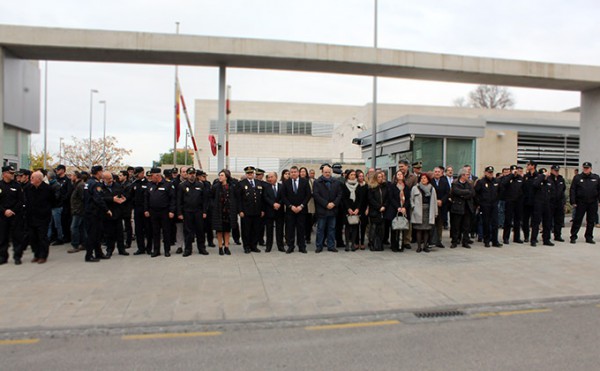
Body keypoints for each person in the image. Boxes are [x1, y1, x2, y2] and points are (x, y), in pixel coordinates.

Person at [25, 171, 56, 264]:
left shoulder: (47, 189)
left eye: (32, 178)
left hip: (43, 217)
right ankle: (36, 254)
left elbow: (53, 201)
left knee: (42, 237)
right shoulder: (28, 188)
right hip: (31, 216)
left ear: (38, 179)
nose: (31, 180)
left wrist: (46, 210)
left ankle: (43, 255)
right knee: (33, 237)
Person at [177, 167, 209, 256]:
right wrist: (179, 213)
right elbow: (179, 200)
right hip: (187, 212)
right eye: (190, 173)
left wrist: (204, 212)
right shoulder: (182, 185)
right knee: (188, 232)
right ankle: (188, 249)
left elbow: (205, 200)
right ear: (187, 175)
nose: (192, 175)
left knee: (200, 231)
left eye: (193, 173)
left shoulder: (200, 185)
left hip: (198, 212)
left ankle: (202, 248)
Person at [144, 167, 176, 257]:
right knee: (155, 232)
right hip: (153, 211)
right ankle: (156, 250)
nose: (151, 177)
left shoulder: (167, 184)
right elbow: (146, 198)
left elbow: (172, 199)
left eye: (152, 176)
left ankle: (167, 250)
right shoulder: (150, 185)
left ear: (158, 175)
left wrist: (172, 210)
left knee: (166, 231)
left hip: (165, 211)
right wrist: (146, 209)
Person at [281, 166, 311, 253]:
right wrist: (290, 206)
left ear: (298, 173)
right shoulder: (286, 183)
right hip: (290, 210)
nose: (293, 173)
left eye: (295, 172)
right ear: (290, 173)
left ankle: (302, 246)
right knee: (290, 229)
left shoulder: (304, 182)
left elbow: (308, 195)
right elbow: (283, 196)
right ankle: (291, 246)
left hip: (302, 210)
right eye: (292, 172)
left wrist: (301, 206)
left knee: (301, 228)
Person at [312, 164, 342, 253]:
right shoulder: (317, 182)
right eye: (326, 172)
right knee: (320, 229)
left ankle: (331, 246)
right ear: (322, 172)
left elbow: (339, 194)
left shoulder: (336, 182)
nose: (327, 174)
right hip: (322, 210)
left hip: (333, 209)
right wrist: (326, 204)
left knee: (332, 228)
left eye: (329, 172)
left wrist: (333, 203)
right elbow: (316, 195)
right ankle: (319, 246)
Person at [83, 165, 110, 262]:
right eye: (102, 171)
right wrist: (106, 209)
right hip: (94, 213)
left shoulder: (88, 182)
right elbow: (98, 198)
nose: (102, 173)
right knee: (93, 235)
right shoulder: (95, 184)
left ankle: (98, 253)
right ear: (98, 172)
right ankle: (89, 255)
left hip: (89, 212)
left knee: (97, 234)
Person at [569, 162, 600, 244]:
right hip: (581, 202)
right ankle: (573, 236)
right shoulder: (577, 177)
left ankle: (589, 237)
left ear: (590, 168)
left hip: (592, 202)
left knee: (591, 221)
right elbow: (572, 190)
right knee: (577, 220)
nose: (586, 169)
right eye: (584, 168)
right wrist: (573, 201)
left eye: (587, 168)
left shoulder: (596, 177)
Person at [0, 165, 25, 265]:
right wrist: (4, 211)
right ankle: (2, 257)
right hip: (2, 216)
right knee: (2, 237)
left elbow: (21, 201)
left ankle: (17, 256)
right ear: (4, 173)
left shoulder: (17, 186)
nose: (12, 175)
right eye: (10, 173)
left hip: (15, 215)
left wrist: (12, 210)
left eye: (13, 173)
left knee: (17, 237)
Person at [237, 166, 265, 253]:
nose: (250, 174)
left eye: (251, 173)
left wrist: (262, 210)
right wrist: (240, 210)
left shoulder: (259, 183)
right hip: (246, 212)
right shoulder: (241, 183)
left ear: (253, 174)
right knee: (246, 230)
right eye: (248, 173)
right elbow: (239, 199)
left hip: (257, 211)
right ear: (246, 174)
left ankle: (254, 246)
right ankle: (246, 246)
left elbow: (262, 198)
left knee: (256, 230)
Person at [101, 171, 129, 257]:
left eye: (111, 178)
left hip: (118, 212)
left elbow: (122, 195)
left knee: (120, 233)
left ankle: (121, 249)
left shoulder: (117, 185)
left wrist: (123, 199)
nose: (111, 180)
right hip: (107, 212)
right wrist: (112, 199)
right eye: (108, 179)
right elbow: (100, 198)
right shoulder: (100, 187)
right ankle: (109, 250)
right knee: (109, 234)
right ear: (104, 179)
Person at [211, 169, 238, 255]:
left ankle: (226, 246)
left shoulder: (231, 187)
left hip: (228, 212)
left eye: (222, 175)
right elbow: (211, 197)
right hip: (219, 211)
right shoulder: (215, 186)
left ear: (226, 177)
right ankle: (220, 247)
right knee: (219, 230)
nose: (220, 177)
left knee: (227, 230)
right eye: (219, 175)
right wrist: (213, 206)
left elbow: (235, 198)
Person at [474, 166, 502, 248]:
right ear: (485, 173)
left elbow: (500, 191)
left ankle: (495, 241)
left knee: (495, 223)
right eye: (489, 172)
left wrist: (497, 200)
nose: (490, 174)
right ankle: (486, 240)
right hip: (485, 205)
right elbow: (476, 193)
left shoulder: (496, 181)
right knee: (486, 223)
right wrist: (479, 203)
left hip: (494, 205)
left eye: (491, 172)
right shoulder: (481, 182)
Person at [410, 172, 438, 253]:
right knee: (419, 229)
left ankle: (425, 246)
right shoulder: (415, 188)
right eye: (422, 178)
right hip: (418, 210)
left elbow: (435, 201)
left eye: (425, 178)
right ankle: (419, 247)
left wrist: (435, 212)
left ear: (428, 179)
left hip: (428, 210)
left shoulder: (432, 188)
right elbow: (411, 199)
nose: (423, 180)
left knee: (426, 229)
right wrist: (413, 207)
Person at [449, 167, 476, 248]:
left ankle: (465, 241)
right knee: (456, 226)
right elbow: (456, 192)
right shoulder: (455, 183)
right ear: (462, 175)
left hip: (467, 207)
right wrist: (466, 192)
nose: (468, 176)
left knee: (466, 226)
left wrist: (463, 195)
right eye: (467, 174)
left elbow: (472, 193)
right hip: (458, 207)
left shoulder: (470, 183)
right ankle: (454, 241)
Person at [386, 170, 410, 252]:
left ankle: (401, 245)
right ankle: (394, 246)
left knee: (402, 227)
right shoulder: (393, 186)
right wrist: (398, 207)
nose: (399, 175)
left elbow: (408, 198)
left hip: (403, 210)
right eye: (398, 174)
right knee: (394, 228)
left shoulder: (406, 187)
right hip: (394, 209)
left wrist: (404, 207)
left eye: (401, 174)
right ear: (396, 176)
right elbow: (391, 198)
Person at [131, 167, 153, 255]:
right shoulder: (134, 184)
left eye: (137, 174)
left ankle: (149, 248)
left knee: (148, 229)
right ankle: (141, 248)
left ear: (142, 173)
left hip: (146, 209)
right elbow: (131, 196)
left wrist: (147, 209)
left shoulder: (148, 183)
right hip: (137, 209)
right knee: (138, 230)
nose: (136, 176)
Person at [501, 165, 524, 245]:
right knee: (508, 220)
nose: (515, 172)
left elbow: (523, 189)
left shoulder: (520, 178)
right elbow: (503, 183)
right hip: (509, 201)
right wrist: (511, 175)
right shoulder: (507, 178)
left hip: (518, 202)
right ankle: (506, 237)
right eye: (513, 170)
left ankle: (517, 237)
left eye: (516, 170)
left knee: (517, 220)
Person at [530, 168, 554, 247]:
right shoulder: (537, 181)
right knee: (536, 223)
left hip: (547, 204)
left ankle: (546, 239)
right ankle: (533, 239)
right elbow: (535, 184)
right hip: (538, 204)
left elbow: (552, 192)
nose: (545, 176)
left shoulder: (549, 182)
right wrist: (541, 176)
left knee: (547, 223)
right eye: (543, 174)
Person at [341, 169, 363, 252]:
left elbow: (360, 199)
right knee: (347, 227)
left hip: (356, 209)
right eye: (351, 175)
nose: (353, 176)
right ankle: (347, 244)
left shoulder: (358, 185)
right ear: (348, 176)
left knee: (355, 226)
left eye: (354, 175)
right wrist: (348, 208)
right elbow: (343, 198)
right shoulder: (344, 185)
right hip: (347, 209)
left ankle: (353, 244)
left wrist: (357, 208)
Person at [263, 172, 285, 252]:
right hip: (270, 211)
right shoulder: (266, 187)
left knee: (280, 229)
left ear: (276, 177)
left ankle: (280, 246)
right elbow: (265, 197)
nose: (270, 179)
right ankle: (269, 246)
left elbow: (284, 196)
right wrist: (273, 204)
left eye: (271, 177)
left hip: (280, 211)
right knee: (269, 230)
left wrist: (279, 204)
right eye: (269, 177)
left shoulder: (282, 186)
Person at [366, 170, 388, 251]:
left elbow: (387, 198)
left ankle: (379, 244)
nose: (380, 178)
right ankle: (372, 243)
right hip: (374, 211)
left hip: (383, 211)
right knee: (373, 228)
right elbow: (370, 199)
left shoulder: (385, 186)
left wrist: (384, 206)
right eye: (378, 177)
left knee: (381, 229)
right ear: (375, 178)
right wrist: (379, 207)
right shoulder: (371, 187)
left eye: (381, 177)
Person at [67, 171, 87, 253]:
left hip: (79, 210)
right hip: (77, 209)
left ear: (76, 176)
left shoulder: (80, 185)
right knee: (81, 227)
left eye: (71, 175)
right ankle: (84, 243)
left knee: (74, 227)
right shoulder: (77, 185)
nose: (70, 177)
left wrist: (80, 208)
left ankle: (75, 245)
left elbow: (84, 198)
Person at [431, 166, 450, 248]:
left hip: (442, 205)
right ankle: (431, 240)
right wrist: (436, 201)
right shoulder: (430, 181)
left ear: (441, 173)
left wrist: (442, 201)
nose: (437, 173)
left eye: (439, 172)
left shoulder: (444, 181)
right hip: (432, 205)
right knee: (432, 223)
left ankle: (439, 240)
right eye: (435, 172)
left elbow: (448, 192)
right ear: (433, 173)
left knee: (440, 224)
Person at [547, 165, 566, 242]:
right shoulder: (548, 179)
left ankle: (558, 235)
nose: (556, 172)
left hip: (559, 203)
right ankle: (546, 236)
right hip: (550, 203)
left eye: (557, 170)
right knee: (548, 221)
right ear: (551, 170)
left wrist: (563, 203)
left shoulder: (561, 179)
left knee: (559, 220)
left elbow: (563, 190)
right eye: (555, 170)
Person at [521, 160, 538, 243]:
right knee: (525, 221)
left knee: (535, 221)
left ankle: (534, 238)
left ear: (533, 166)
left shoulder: (538, 176)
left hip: (535, 202)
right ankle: (526, 236)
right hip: (526, 202)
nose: (527, 166)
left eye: (529, 165)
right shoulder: (526, 176)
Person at [47, 172, 65, 245]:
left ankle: (59, 238)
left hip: (56, 207)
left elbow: (57, 197)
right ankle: (49, 238)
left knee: (57, 224)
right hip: (53, 206)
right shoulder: (53, 185)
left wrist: (49, 199)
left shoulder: (56, 185)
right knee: (50, 224)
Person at [117, 170, 134, 249]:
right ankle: (121, 242)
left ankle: (128, 242)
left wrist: (123, 198)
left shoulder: (129, 185)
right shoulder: (120, 184)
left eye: (121, 175)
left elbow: (128, 196)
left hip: (126, 207)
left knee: (127, 225)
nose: (119, 177)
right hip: (120, 207)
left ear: (125, 176)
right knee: (120, 226)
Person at [299, 167, 315, 244]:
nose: (302, 173)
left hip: (309, 204)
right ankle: (302, 236)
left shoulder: (310, 181)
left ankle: (308, 237)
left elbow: (313, 191)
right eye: (301, 171)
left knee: (308, 221)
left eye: (304, 171)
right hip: (299, 204)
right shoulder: (297, 181)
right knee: (301, 222)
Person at [355, 169, 369, 250]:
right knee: (356, 225)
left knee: (363, 226)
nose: (361, 177)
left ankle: (362, 242)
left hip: (364, 208)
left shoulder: (366, 186)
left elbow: (368, 198)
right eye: (359, 176)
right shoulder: (355, 186)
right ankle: (356, 242)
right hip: (356, 208)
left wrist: (367, 208)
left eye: (362, 176)